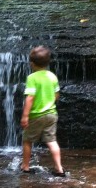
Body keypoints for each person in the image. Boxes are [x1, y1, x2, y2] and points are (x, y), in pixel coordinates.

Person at [20, 45, 65, 176]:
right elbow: (57, 95)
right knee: (52, 141)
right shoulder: (52, 76)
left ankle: (26, 166)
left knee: (27, 140)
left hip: (36, 115)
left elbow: (30, 97)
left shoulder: (32, 78)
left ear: (32, 64)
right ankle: (59, 168)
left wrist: (25, 116)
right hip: (51, 114)